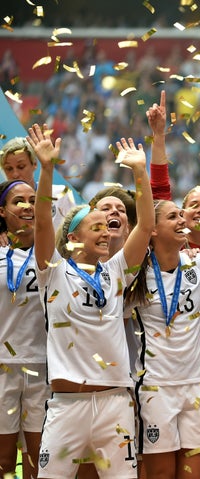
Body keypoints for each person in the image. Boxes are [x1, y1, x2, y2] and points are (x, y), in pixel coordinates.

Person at [29, 124, 153, 478]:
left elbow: (144, 226)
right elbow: (41, 224)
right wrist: (47, 169)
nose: (105, 230)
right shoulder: (52, 270)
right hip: (67, 406)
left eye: (108, 224)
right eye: (95, 225)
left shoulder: (115, 271)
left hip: (115, 403)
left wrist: (140, 172)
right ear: (72, 237)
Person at [125, 199, 200, 479]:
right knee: (161, 475)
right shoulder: (135, 273)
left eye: (181, 215)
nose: (181, 221)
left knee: (194, 475)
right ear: (152, 229)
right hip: (155, 386)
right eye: (173, 216)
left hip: (197, 385)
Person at [0, 180, 50, 479]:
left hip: (42, 367)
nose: (28, 205)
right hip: (2, 368)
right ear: (2, 211)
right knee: (3, 462)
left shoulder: (54, 257)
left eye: (33, 199)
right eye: (19, 200)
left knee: (38, 462)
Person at [0, 136, 76, 231]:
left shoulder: (61, 194)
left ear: (34, 164)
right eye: (9, 168)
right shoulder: (2, 205)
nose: (15, 174)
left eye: (21, 166)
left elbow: (75, 233)